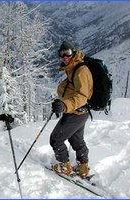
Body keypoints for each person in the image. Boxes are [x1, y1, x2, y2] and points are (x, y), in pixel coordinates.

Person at [50, 41, 93, 179]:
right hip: (80, 112)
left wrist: (64, 105)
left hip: (75, 112)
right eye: (61, 54)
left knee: (56, 139)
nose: (64, 57)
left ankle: (64, 166)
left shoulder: (81, 70)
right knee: (76, 140)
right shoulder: (73, 68)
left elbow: (82, 96)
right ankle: (83, 166)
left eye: (67, 53)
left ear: (74, 52)